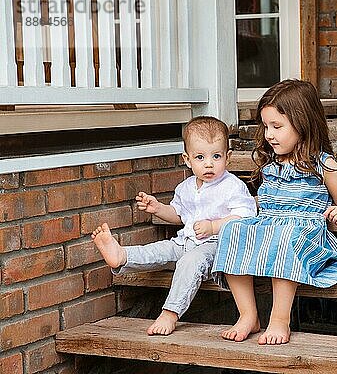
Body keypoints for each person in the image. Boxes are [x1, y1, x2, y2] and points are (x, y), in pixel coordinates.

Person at [212, 79, 337, 345]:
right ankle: (248, 315)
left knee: (285, 238)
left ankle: (280, 320)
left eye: (277, 127)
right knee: (233, 230)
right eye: (266, 126)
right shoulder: (271, 162)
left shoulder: (323, 163)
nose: (269, 134)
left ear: (303, 124)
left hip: (304, 233)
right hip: (270, 226)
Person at [91, 116, 257, 336]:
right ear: (187, 159)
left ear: (228, 157)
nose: (209, 163)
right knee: (160, 249)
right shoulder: (186, 187)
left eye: (216, 156)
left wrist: (214, 226)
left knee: (190, 261)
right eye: (200, 157)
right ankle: (122, 256)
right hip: (185, 241)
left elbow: (246, 215)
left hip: (216, 247)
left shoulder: (232, 187)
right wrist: (158, 208)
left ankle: (170, 312)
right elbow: (178, 214)